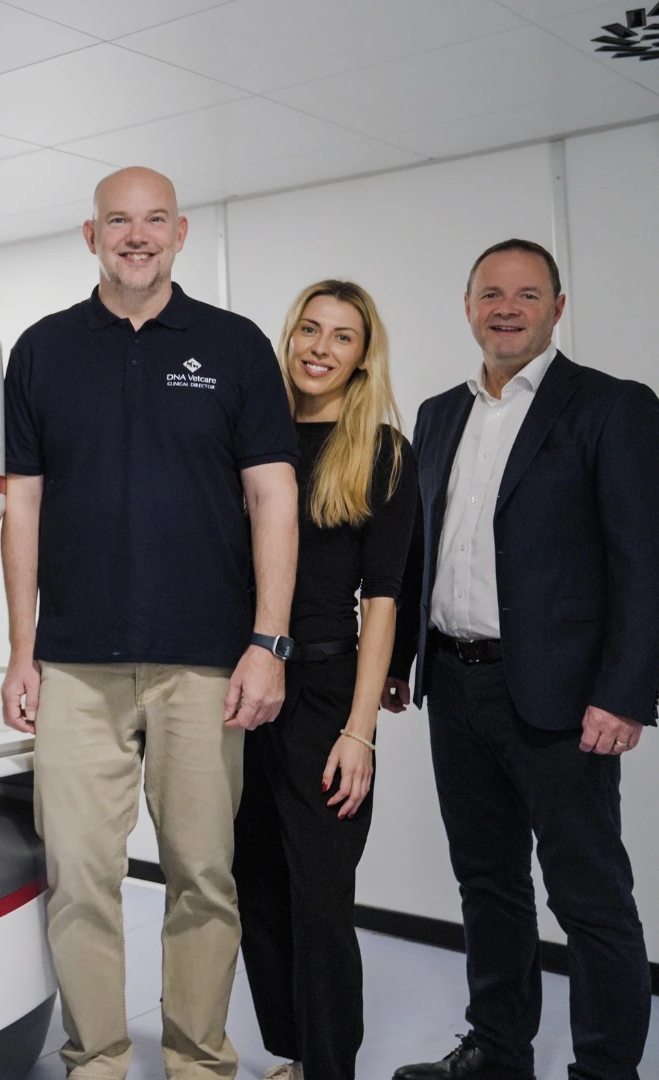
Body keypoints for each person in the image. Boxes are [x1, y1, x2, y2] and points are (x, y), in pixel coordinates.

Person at [0, 166, 300, 1080]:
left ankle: (198, 1061)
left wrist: (268, 642)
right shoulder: (44, 349)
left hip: (206, 667)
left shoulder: (235, 345)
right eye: (118, 221)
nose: (137, 235)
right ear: (92, 237)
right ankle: (95, 1061)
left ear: (180, 233)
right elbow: (23, 504)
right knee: (79, 881)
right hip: (75, 668)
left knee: (204, 879)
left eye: (154, 220)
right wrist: (21, 648)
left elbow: (273, 496)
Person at [390, 240, 659, 1080]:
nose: (508, 308)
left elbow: (644, 562)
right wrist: (404, 661)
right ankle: (499, 1051)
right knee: (487, 882)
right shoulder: (437, 414)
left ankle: (605, 1072)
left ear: (558, 306)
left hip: (564, 700)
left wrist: (627, 694)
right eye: (492, 293)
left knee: (589, 902)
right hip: (456, 687)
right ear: (467, 304)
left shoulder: (612, 407)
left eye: (527, 294)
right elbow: (417, 550)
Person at [233, 281, 416, 1080]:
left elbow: (383, 600)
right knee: (254, 884)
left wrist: (359, 729)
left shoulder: (379, 451)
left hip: (324, 692)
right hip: (240, 687)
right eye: (310, 328)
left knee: (320, 898)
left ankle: (330, 1068)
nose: (320, 348)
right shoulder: (250, 434)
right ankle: (296, 1056)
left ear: (362, 356)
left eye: (342, 337)